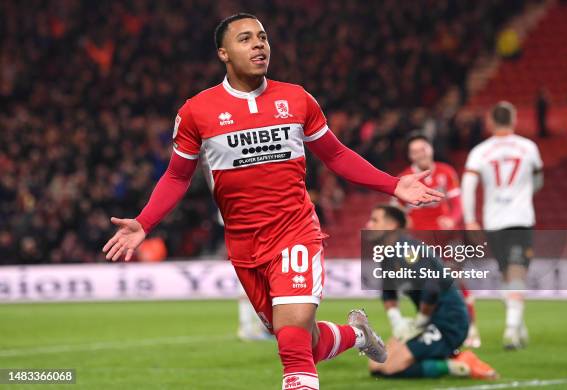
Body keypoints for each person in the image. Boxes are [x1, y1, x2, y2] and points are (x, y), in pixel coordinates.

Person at [102, 13, 444, 389]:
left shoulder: (297, 99)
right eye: (245, 39)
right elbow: (177, 175)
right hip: (243, 243)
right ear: (224, 53)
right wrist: (145, 221)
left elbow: (336, 155)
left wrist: (393, 185)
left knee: (292, 331)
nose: (259, 44)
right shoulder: (196, 112)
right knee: (299, 341)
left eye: (262, 37)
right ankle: (358, 335)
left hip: (294, 230)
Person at [364, 205, 497, 380]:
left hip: (449, 323)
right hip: (431, 320)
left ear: (392, 225)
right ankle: (447, 356)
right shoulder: (387, 253)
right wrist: (396, 321)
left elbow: (431, 288)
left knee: (391, 369)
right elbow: (388, 292)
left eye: (375, 220)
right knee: (376, 366)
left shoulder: (409, 251)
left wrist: (421, 321)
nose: (368, 225)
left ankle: (458, 365)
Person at [461, 101, 543, 350]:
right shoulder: (528, 147)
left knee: (507, 271)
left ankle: (516, 325)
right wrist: (525, 193)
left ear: (490, 121)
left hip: (493, 220)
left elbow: (468, 186)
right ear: (514, 119)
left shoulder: (479, 151)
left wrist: (469, 219)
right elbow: (538, 180)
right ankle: (511, 329)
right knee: (516, 271)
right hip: (520, 217)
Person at [392, 134, 481, 348]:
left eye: (423, 149)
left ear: (431, 149)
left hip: (444, 239)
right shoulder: (404, 178)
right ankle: (429, 328)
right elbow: (397, 213)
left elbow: (458, 204)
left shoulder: (446, 172)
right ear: (409, 156)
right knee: (421, 287)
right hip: (417, 244)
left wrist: (452, 218)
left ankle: (471, 328)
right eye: (414, 151)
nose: (419, 154)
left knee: (456, 281)